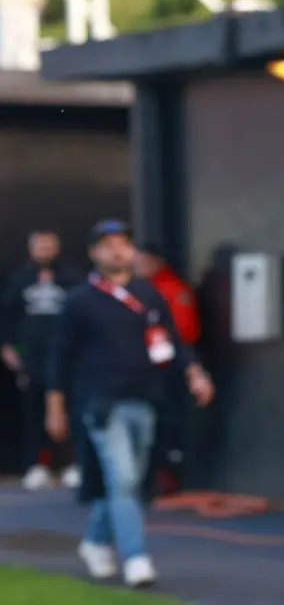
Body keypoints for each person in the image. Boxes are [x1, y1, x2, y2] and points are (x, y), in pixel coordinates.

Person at [45, 219, 215, 588]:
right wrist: (55, 406)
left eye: (123, 243)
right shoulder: (79, 301)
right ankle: (136, 557)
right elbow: (60, 358)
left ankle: (94, 541)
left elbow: (173, 341)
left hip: (146, 398)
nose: (117, 250)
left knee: (129, 481)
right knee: (122, 479)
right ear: (93, 253)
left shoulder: (150, 295)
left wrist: (195, 374)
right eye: (108, 245)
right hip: (101, 402)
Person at [1, 229, 84, 490]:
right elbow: (7, 316)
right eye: (39, 245)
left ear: (57, 247)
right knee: (34, 411)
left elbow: (84, 316)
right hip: (32, 357)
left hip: (67, 357)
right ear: (31, 248)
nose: (44, 250)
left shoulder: (72, 278)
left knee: (70, 411)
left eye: (49, 245)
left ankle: (73, 464)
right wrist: (7, 348)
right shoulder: (19, 280)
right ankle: (38, 464)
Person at [135, 242, 202, 494]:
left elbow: (186, 332)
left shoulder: (173, 289)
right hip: (137, 370)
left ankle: (167, 475)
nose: (140, 267)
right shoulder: (131, 290)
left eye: (145, 261)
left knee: (168, 422)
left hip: (168, 368)